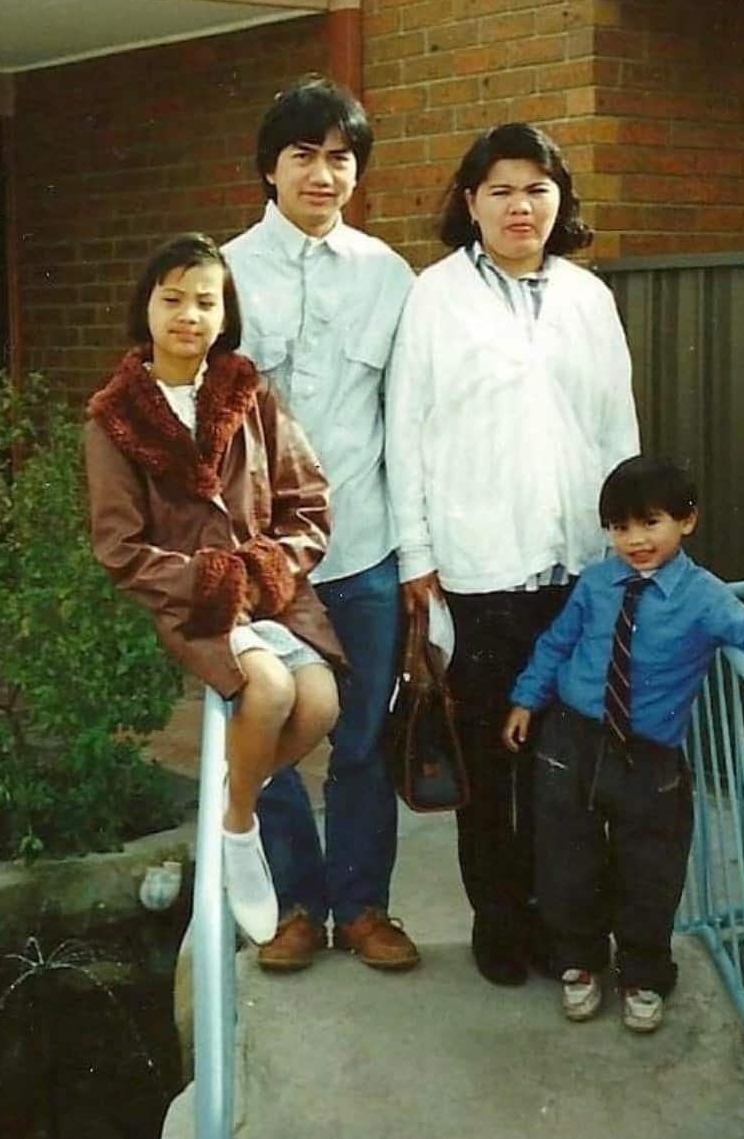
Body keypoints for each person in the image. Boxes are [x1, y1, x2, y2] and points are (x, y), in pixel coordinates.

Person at [386, 121, 639, 986]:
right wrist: (415, 557)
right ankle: (499, 920)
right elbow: (406, 435)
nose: (518, 204)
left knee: (564, 770)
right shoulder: (434, 295)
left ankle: (560, 921)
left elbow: (615, 431)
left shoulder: (586, 297)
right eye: (499, 188)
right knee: (490, 762)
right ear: (469, 202)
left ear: (558, 198)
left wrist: (623, 550)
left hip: (574, 570)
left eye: (535, 186)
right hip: (478, 572)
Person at [84, 233, 343, 946]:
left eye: (205, 300)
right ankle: (235, 833)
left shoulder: (249, 391)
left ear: (224, 312)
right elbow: (119, 548)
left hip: (270, 585)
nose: (188, 315)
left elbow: (308, 502)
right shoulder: (113, 416)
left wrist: (267, 567)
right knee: (269, 692)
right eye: (172, 298)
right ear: (146, 307)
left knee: (319, 704)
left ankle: (236, 797)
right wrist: (211, 581)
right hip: (193, 599)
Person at [222, 76, 419, 972]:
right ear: (269, 168)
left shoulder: (389, 277)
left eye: (340, 157)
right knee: (266, 730)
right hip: (259, 561)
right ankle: (295, 906)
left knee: (363, 738)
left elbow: (408, 419)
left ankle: (364, 906)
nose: (322, 173)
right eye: (303, 154)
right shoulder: (220, 274)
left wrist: (417, 557)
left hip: (364, 549)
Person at [503, 455, 744, 1032]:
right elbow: (557, 644)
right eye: (619, 527)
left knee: (651, 870)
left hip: (651, 757)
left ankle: (643, 972)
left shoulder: (703, 595)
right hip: (572, 740)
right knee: (567, 860)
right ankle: (581, 962)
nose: (635, 539)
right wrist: (525, 700)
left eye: (651, 522)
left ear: (687, 521)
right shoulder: (595, 583)